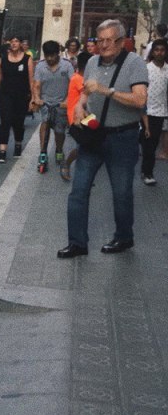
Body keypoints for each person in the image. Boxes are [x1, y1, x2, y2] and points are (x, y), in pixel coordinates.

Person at [58, 18, 148, 258]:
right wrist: (80, 106)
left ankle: (124, 237)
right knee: (78, 190)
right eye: (100, 40)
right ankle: (77, 243)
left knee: (121, 192)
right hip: (93, 136)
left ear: (121, 41)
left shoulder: (135, 63)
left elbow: (140, 99)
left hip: (122, 137)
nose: (104, 45)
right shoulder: (92, 62)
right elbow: (85, 94)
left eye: (109, 40)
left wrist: (106, 90)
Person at [0, 34, 34, 162]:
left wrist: (33, 97)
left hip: (21, 95)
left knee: (18, 122)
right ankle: (2, 151)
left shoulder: (27, 59)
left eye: (16, 41)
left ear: (20, 44)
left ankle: (18, 144)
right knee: (5, 121)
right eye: (12, 41)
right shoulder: (3, 59)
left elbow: (31, 80)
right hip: (5, 95)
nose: (14, 43)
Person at [31, 40, 73, 173]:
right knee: (45, 123)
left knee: (59, 130)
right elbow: (37, 85)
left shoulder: (67, 65)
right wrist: (36, 98)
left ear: (57, 54)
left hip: (61, 103)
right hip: (46, 103)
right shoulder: (40, 66)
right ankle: (43, 152)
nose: (49, 58)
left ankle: (59, 149)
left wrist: (68, 101)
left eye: (52, 55)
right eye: (47, 55)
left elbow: (73, 85)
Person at [60, 50, 92, 181]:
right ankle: (67, 164)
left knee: (94, 142)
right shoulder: (77, 79)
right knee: (85, 145)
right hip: (76, 118)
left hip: (87, 117)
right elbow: (91, 92)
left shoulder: (83, 78)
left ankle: (85, 172)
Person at [141, 37, 168, 185]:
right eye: (157, 50)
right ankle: (147, 171)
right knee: (147, 142)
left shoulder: (167, 70)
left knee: (153, 142)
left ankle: (147, 171)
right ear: (152, 52)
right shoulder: (146, 69)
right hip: (145, 111)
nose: (159, 53)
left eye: (162, 50)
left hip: (160, 112)